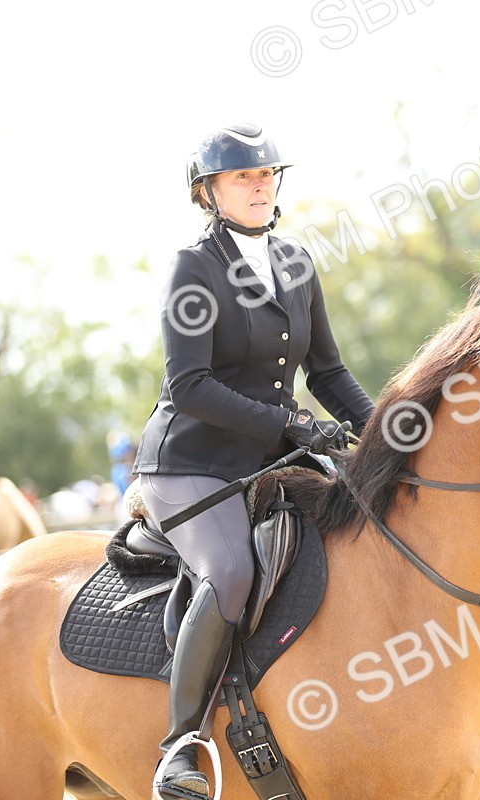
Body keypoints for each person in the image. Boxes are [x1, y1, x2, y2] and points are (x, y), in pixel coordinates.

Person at [132, 123, 375, 799]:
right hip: (190, 463)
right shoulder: (193, 268)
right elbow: (191, 385)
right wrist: (292, 424)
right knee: (233, 570)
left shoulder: (296, 263)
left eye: (268, 174)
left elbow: (328, 372)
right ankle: (180, 746)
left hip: (273, 456)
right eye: (244, 176)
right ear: (208, 192)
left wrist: (387, 431)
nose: (261, 183)